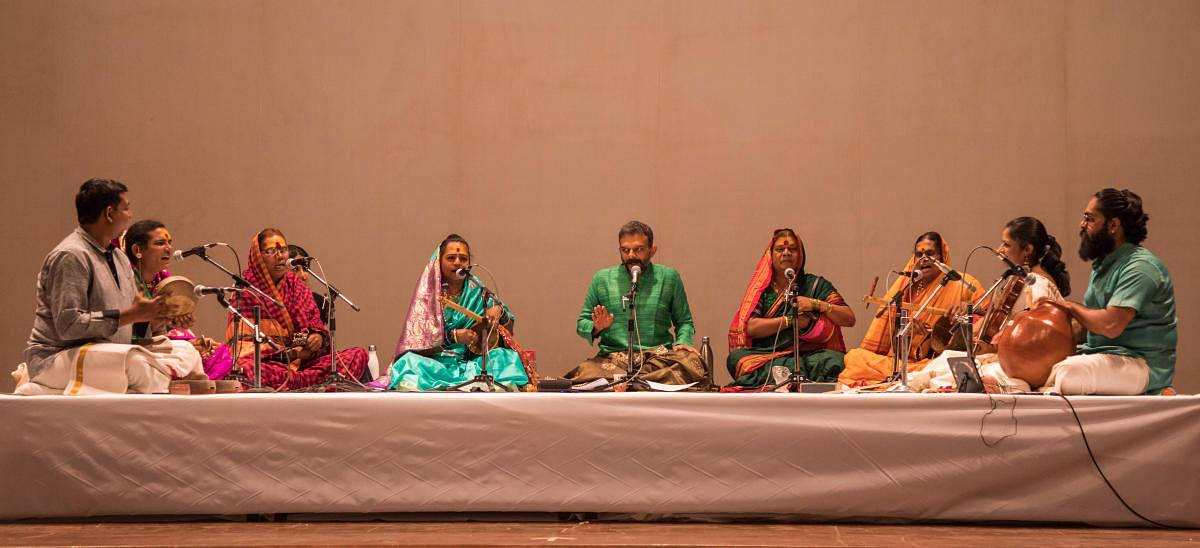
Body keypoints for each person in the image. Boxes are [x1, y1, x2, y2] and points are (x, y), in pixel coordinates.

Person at [21, 179, 205, 395]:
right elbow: (68, 326)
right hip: (57, 356)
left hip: (108, 352)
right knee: (134, 363)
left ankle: (164, 390)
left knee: (186, 350)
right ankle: (164, 400)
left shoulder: (118, 257)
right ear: (109, 214)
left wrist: (157, 319)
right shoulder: (71, 256)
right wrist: (129, 315)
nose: (130, 215)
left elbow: (129, 325)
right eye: (126, 208)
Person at [1035, 189, 1176, 395]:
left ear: (1113, 225)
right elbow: (1090, 326)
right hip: (1106, 357)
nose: (1082, 225)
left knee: (1068, 373)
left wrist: (1071, 307)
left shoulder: (1140, 267)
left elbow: (1111, 325)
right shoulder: (1105, 265)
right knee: (1029, 364)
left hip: (1142, 364)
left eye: (1089, 219)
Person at [907, 217, 1070, 393]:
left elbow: (1035, 343)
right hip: (1005, 356)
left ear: (1027, 249)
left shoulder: (1037, 286)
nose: (1000, 250)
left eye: (1006, 244)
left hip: (1024, 365)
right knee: (947, 358)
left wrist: (994, 348)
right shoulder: (1019, 280)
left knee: (968, 374)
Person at [566, 221, 709, 389]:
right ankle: (644, 384)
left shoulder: (669, 277)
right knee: (582, 373)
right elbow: (582, 323)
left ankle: (629, 383)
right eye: (626, 250)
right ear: (620, 250)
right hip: (613, 360)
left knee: (692, 363)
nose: (631, 255)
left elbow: (684, 321)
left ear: (652, 250)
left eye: (638, 249)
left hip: (658, 359)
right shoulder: (602, 279)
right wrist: (597, 327)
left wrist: (683, 342)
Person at [384, 234, 533, 391]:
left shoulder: (478, 291)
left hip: (471, 366)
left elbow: (509, 331)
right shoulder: (428, 295)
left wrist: (499, 311)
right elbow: (415, 343)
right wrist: (453, 337)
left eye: (463, 258)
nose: (457, 263)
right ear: (439, 262)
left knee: (506, 358)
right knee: (406, 362)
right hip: (436, 365)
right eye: (451, 258)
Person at [225, 228, 367, 390]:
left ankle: (302, 389)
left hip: (300, 368)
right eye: (271, 251)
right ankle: (309, 389)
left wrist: (317, 338)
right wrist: (294, 354)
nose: (279, 256)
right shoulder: (246, 290)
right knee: (244, 369)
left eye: (283, 250)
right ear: (258, 257)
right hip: (268, 367)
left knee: (357, 355)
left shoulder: (296, 286)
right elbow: (244, 349)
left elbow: (312, 329)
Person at [838, 231, 982, 388]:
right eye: (919, 254)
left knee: (951, 366)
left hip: (942, 361)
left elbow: (989, 318)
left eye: (930, 253)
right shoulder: (906, 288)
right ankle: (917, 376)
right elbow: (897, 350)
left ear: (943, 256)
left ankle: (922, 376)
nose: (924, 259)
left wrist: (969, 309)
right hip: (909, 364)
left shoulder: (963, 284)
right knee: (855, 357)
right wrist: (908, 332)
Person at [725, 228, 856, 390]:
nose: (786, 253)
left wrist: (816, 304)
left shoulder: (815, 285)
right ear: (770, 255)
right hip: (767, 356)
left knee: (836, 360)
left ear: (800, 254)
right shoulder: (762, 290)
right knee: (737, 359)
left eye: (792, 249)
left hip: (808, 355)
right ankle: (793, 374)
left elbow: (849, 318)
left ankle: (784, 375)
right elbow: (750, 328)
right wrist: (790, 320)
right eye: (780, 249)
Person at [123, 219, 233, 380]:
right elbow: (130, 332)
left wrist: (186, 333)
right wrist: (164, 327)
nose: (168, 248)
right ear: (137, 249)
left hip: (160, 342)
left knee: (217, 351)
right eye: (160, 243)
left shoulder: (164, 282)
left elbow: (164, 330)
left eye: (169, 242)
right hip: (135, 347)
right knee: (191, 354)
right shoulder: (127, 281)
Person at [286, 243, 330, 327]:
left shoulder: (319, 302)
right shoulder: (275, 300)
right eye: (296, 269)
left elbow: (324, 335)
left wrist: (319, 336)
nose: (303, 275)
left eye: (305, 269)